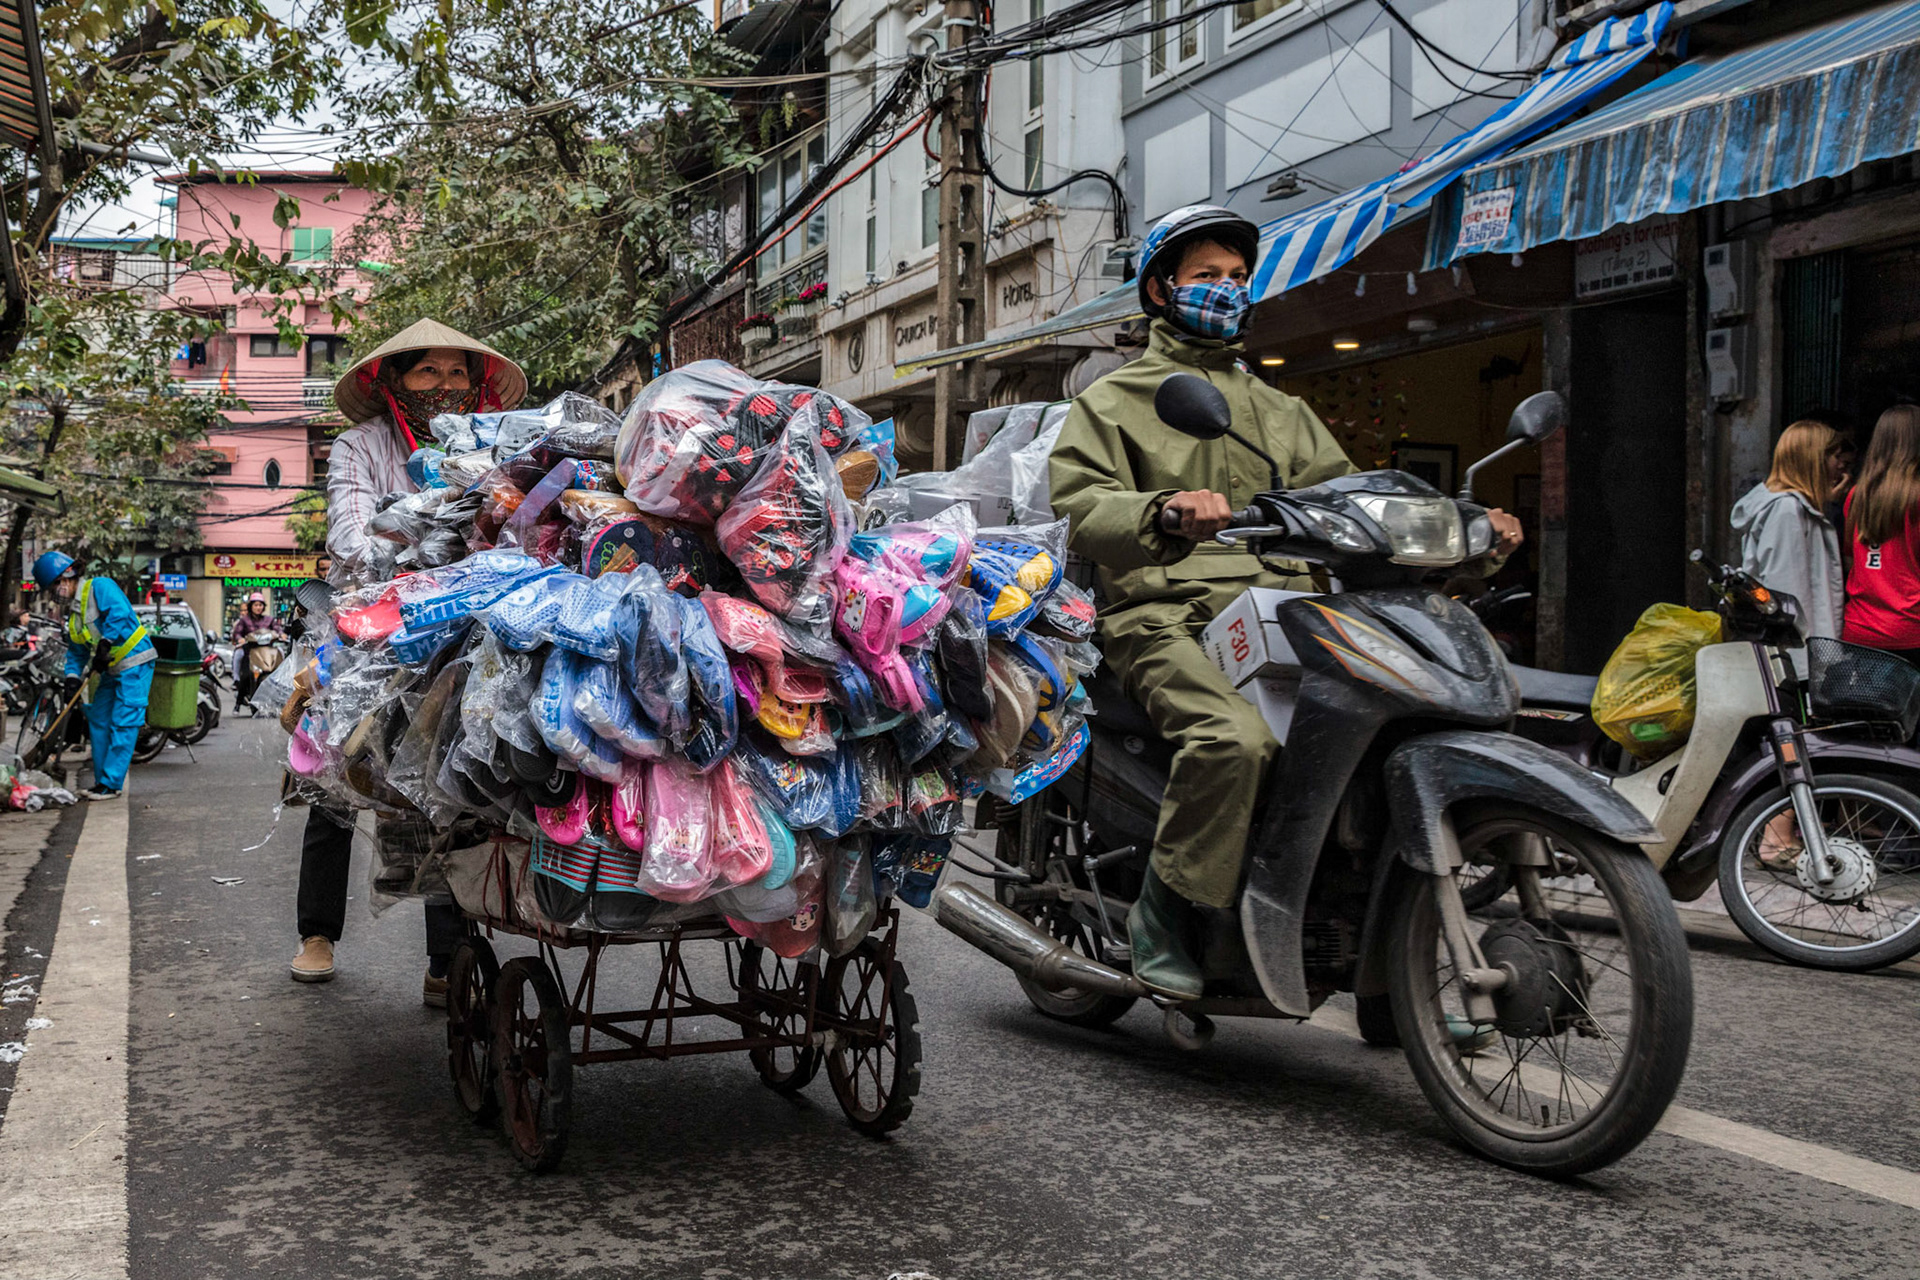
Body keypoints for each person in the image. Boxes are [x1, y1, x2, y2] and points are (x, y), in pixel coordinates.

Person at [1050, 205, 1522, 1000]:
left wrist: (1469, 529)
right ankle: (1163, 916)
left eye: (1237, 278)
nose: (1227, 291)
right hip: (1166, 615)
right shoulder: (1114, 401)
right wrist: (1162, 510)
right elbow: (1079, 508)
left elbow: (1354, 501)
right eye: (1206, 277)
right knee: (1233, 742)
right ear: (1162, 291)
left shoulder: (1281, 410)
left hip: (1291, 614)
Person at [290, 319, 527, 1004]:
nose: (444, 388)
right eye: (428, 373)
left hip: (462, 625)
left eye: (457, 374)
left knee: (447, 781)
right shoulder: (358, 446)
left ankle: (445, 962)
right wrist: (429, 549)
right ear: (393, 380)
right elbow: (352, 536)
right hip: (369, 625)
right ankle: (316, 932)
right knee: (334, 777)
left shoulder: (493, 443)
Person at [30, 551, 156, 801]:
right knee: (98, 717)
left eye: (55, 585)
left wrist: (106, 643)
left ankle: (111, 783)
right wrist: (72, 678)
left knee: (124, 721)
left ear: (68, 576)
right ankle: (102, 782)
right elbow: (76, 653)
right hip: (111, 667)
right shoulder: (74, 617)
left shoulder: (100, 586)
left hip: (135, 663)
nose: (54, 593)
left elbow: (119, 613)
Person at [1731, 420, 1847, 646]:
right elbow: (1787, 596)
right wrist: (1802, 663)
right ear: (1815, 460)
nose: (1841, 466)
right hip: (1799, 655)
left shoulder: (1796, 509)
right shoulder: (1787, 511)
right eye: (1835, 457)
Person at [1842, 404, 1920, 664]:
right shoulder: (1916, 498)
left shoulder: (1856, 495)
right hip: (1911, 631)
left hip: (1860, 629)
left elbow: (1851, 558)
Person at [229, 591, 285, 715]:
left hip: (267, 651)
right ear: (251, 606)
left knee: (278, 666)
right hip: (250, 652)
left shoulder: (269, 620)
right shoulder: (244, 621)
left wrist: (281, 634)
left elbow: (277, 629)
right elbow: (237, 633)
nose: (258, 607)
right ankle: (238, 703)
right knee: (246, 676)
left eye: (260, 605)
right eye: (256, 605)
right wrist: (240, 638)